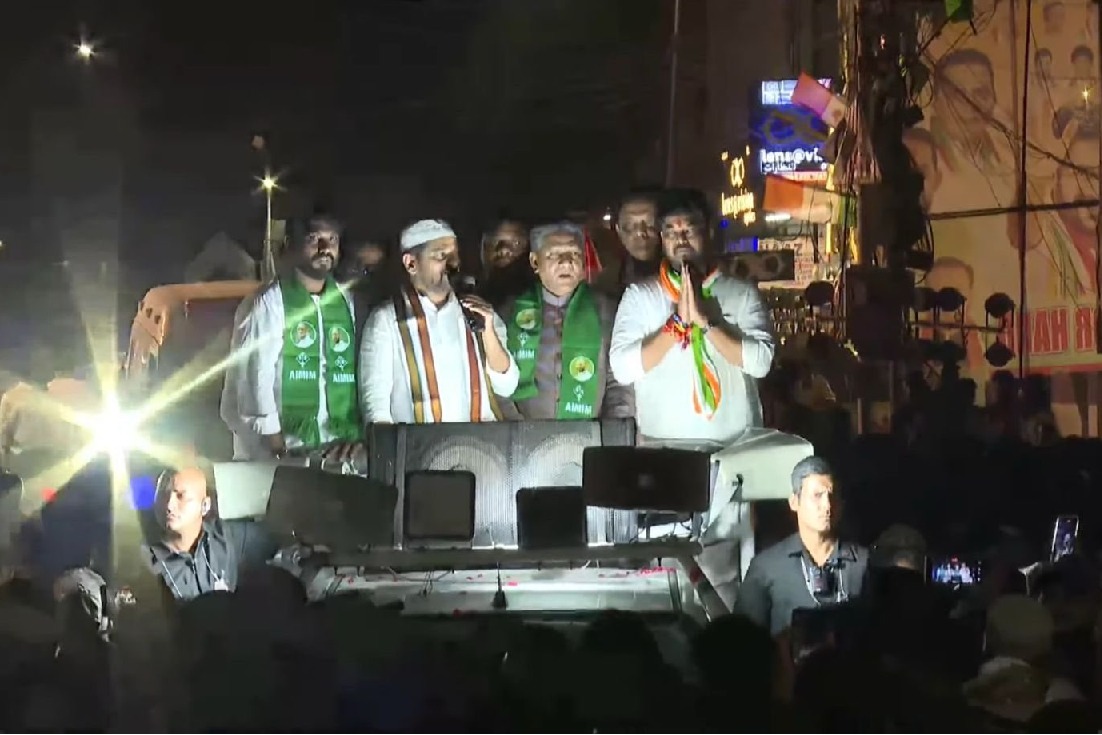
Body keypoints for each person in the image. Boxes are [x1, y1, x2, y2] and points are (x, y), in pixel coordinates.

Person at [609, 189, 775, 444]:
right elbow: (622, 369)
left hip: (737, 446)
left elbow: (761, 363)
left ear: (708, 231)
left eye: (689, 229)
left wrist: (707, 324)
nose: (681, 239)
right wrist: (676, 326)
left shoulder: (741, 293)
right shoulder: (640, 296)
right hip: (663, 447)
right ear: (662, 238)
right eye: (671, 232)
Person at [220, 214, 363, 461]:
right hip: (278, 450)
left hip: (332, 447)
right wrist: (278, 446)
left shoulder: (344, 301)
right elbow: (255, 378)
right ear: (293, 246)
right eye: (314, 239)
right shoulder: (268, 302)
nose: (325, 248)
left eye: (332, 239)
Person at [359, 219, 518, 423]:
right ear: (411, 263)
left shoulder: (479, 313)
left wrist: (488, 331)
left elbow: (507, 386)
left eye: (455, 256)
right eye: (441, 256)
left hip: (480, 441)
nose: (453, 265)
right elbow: (375, 406)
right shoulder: (386, 320)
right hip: (419, 442)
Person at [500, 222, 634, 420]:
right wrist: (518, 429)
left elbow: (619, 381)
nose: (566, 263)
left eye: (574, 254)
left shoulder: (608, 310)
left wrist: (612, 430)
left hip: (590, 433)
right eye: (554, 254)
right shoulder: (509, 312)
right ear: (535, 262)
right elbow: (498, 380)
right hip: (525, 433)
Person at [735, 456, 869, 636]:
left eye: (832, 496)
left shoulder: (863, 563)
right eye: (817, 496)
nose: (827, 505)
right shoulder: (767, 567)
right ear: (794, 502)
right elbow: (744, 638)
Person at [140, 467, 275, 601]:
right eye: (163, 494)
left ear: (205, 506)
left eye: (180, 496)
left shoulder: (224, 537)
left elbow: (275, 536)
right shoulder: (145, 563)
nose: (169, 505)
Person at [593, 188, 663, 298]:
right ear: (618, 230)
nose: (641, 233)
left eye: (650, 224)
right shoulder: (604, 288)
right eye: (630, 226)